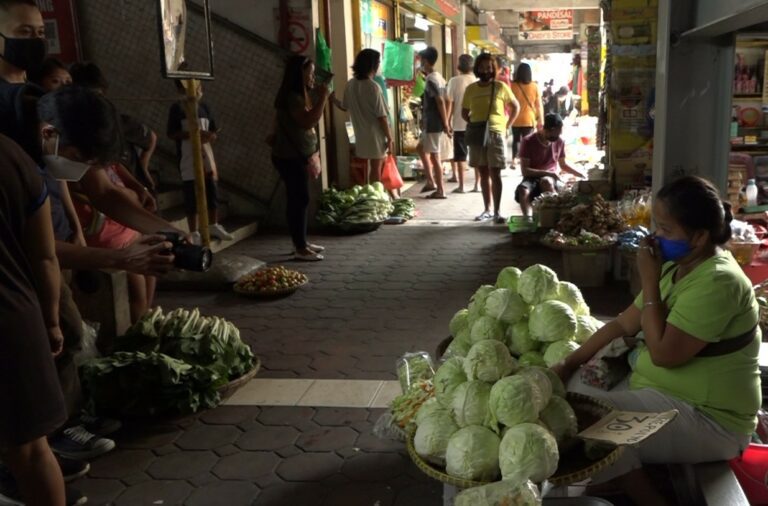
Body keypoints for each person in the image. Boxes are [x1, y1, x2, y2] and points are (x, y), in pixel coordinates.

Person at [554, 176, 760, 505]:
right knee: (568, 394)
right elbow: (623, 324)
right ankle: (618, 478)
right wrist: (567, 363)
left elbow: (664, 354)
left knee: (594, 422)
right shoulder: (677, 267)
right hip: (664, 394)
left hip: (710, 418)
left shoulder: (719, 281)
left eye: (665, 230)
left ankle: (648, 499)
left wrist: (647, 280)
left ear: (700, 237)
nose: (654, 238)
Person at [0, 134, 67, 506]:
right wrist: (52, 320)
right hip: (13, 319)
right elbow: (45, 256)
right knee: (30, 450)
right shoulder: (12, 156)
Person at [270, 55, 328, 261]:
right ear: (299, 74)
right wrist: (323, 98)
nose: (312, 77)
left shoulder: (298, 94)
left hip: (294, 154)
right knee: (299, 198)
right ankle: (300, 247)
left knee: (300, 199)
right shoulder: (292, 97)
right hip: (289, 156)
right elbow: (308, 121)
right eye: (310, 73)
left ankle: (301, 241)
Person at [70, 62, 158, 193]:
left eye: (98, 96)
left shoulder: (119, 122)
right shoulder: (72, 134)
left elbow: (151, 138)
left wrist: (143, 167)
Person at [167, 79, 233, 244]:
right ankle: (194, 230)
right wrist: (193, 135)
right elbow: (172, 133)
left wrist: (210, 136)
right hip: (187, 156)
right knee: (191, 192)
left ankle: (213, 224)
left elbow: (213, 130)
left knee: (211, 188)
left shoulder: (205, 107)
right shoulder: (177, 108)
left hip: (206, 154)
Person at [461, 53, 519, 223]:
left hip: (495, 134)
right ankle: (486, 209)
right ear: (477, 69)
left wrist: (507, 125)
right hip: (478, 134)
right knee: (483, 172)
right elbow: (464, 112)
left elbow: (515, 106)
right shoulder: (471, 89)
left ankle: (497, 211)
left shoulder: (501, 87)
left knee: (496, 173)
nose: (485, 70)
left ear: (493, 69)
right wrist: (473, 123)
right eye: (482, 67)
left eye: (488, 68)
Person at [334, 49, 393, 184]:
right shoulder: (373, 87)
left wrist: (333, 100)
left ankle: (366, 194)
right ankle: (375, 199)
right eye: (378, 62)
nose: (379, 65)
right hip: (375, 135)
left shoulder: (350, 84)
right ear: (372, 65)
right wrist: (389, 138)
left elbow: (344, 106)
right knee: (375, 169)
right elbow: (382, 117)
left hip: (360, 134)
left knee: (363, 168)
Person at [515, 114, 585, 217]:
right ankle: (528, 219)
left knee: (546, 182)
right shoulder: (528, 141)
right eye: (555, 134)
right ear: (546, 130)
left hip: (549, 178)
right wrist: (549, 173)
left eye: (558, 134)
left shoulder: (559, 141)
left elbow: (563, 165)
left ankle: (551, 218)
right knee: (523, 190)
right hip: (532, 176)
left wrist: (581, 175)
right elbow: (525, 171)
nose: (557, 137)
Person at [416, 46, 450, 199]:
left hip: (433, 123)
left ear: (426, 61)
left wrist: (445, 123)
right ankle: (430, 181)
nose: (420, 63)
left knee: (435, 156)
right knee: (421, 148)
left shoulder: (431, 79)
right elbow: (447, 100)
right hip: (434, 122)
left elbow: (440, 101)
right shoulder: (439, 77)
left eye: (421, 60)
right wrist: (446, 121)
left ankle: (440, 190)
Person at [445, 54, 477, 194]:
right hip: (475, 123)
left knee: (460, 156)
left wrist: (447, 122)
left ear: (459, 66)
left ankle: (462, 186)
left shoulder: (453, 81)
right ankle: (477, 185)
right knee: (476, 155)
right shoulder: (476, 81)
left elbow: (449, 104)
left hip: (458, 124)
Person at [509, 63, 543, 166]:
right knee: (527, 141)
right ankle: (527, 161)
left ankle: (514, 159)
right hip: (529, 119)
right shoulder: (534, 86)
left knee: (516, 140)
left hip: (515, 118)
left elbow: (508, 103)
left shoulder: (512, 86)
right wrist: (541, 120)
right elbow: (538, 105)